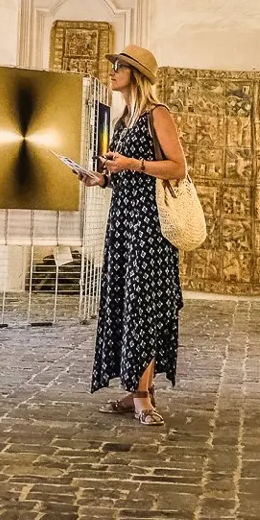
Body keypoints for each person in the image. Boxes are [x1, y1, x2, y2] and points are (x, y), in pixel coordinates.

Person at [75, 46, 187, 427]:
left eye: (119, 66)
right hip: (123, 222)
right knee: (128, 304)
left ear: (136, 75)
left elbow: (177, 167)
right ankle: (140, 390)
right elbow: (122, 173)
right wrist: (100, 178)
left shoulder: (158, 114)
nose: (112, 71)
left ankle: (142, 397)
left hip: (149, 225)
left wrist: (132, 163)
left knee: (144, 306)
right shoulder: (124, 119)